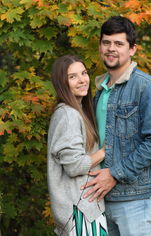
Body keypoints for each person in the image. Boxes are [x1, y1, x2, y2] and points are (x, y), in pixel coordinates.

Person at [82, 16, 151, 236]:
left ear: (132, 49)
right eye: (106, 43)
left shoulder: (148, 87)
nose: (111, 49)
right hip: (102, 199)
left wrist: (114, 174)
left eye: (119, 44)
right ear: (100, 46)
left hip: (137, 199)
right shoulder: (99, 91)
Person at [47, 55, 108, 236]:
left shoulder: (78, 112)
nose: (82, 80)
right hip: (81, 212)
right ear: (61, 83)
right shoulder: (68, 115)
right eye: (72, 77)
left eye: (83, 73)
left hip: (86, 208)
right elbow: (74, 166)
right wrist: (105, 151)